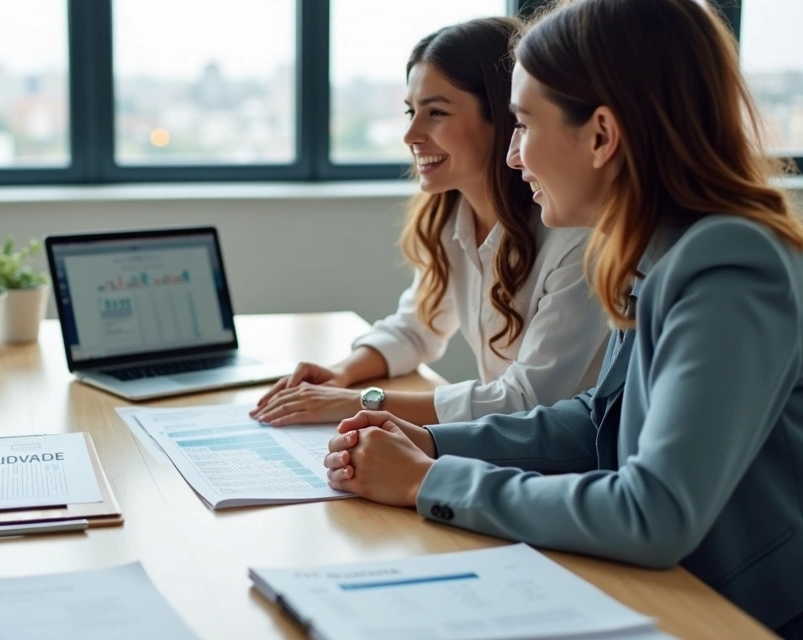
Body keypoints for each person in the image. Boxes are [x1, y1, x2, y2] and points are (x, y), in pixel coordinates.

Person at [322, 0, 803, 635]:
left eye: (522, 125)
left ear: (602, 135)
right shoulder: (654, 249)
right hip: (663, 587)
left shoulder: (729, 265)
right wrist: (433, 443)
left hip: (736, 614)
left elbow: (652, 514)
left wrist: (429, 481)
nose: (514, 157)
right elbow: (599, 421)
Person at [252, 17, 608, 428]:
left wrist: (359, 402)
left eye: (436, 112)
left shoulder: (576, 237)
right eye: (411, 112)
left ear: (505, 118)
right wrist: (342, 374)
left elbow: (526, 400)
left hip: (564, 462)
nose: (411, 135)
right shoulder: (453, 216)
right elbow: (416, 327)